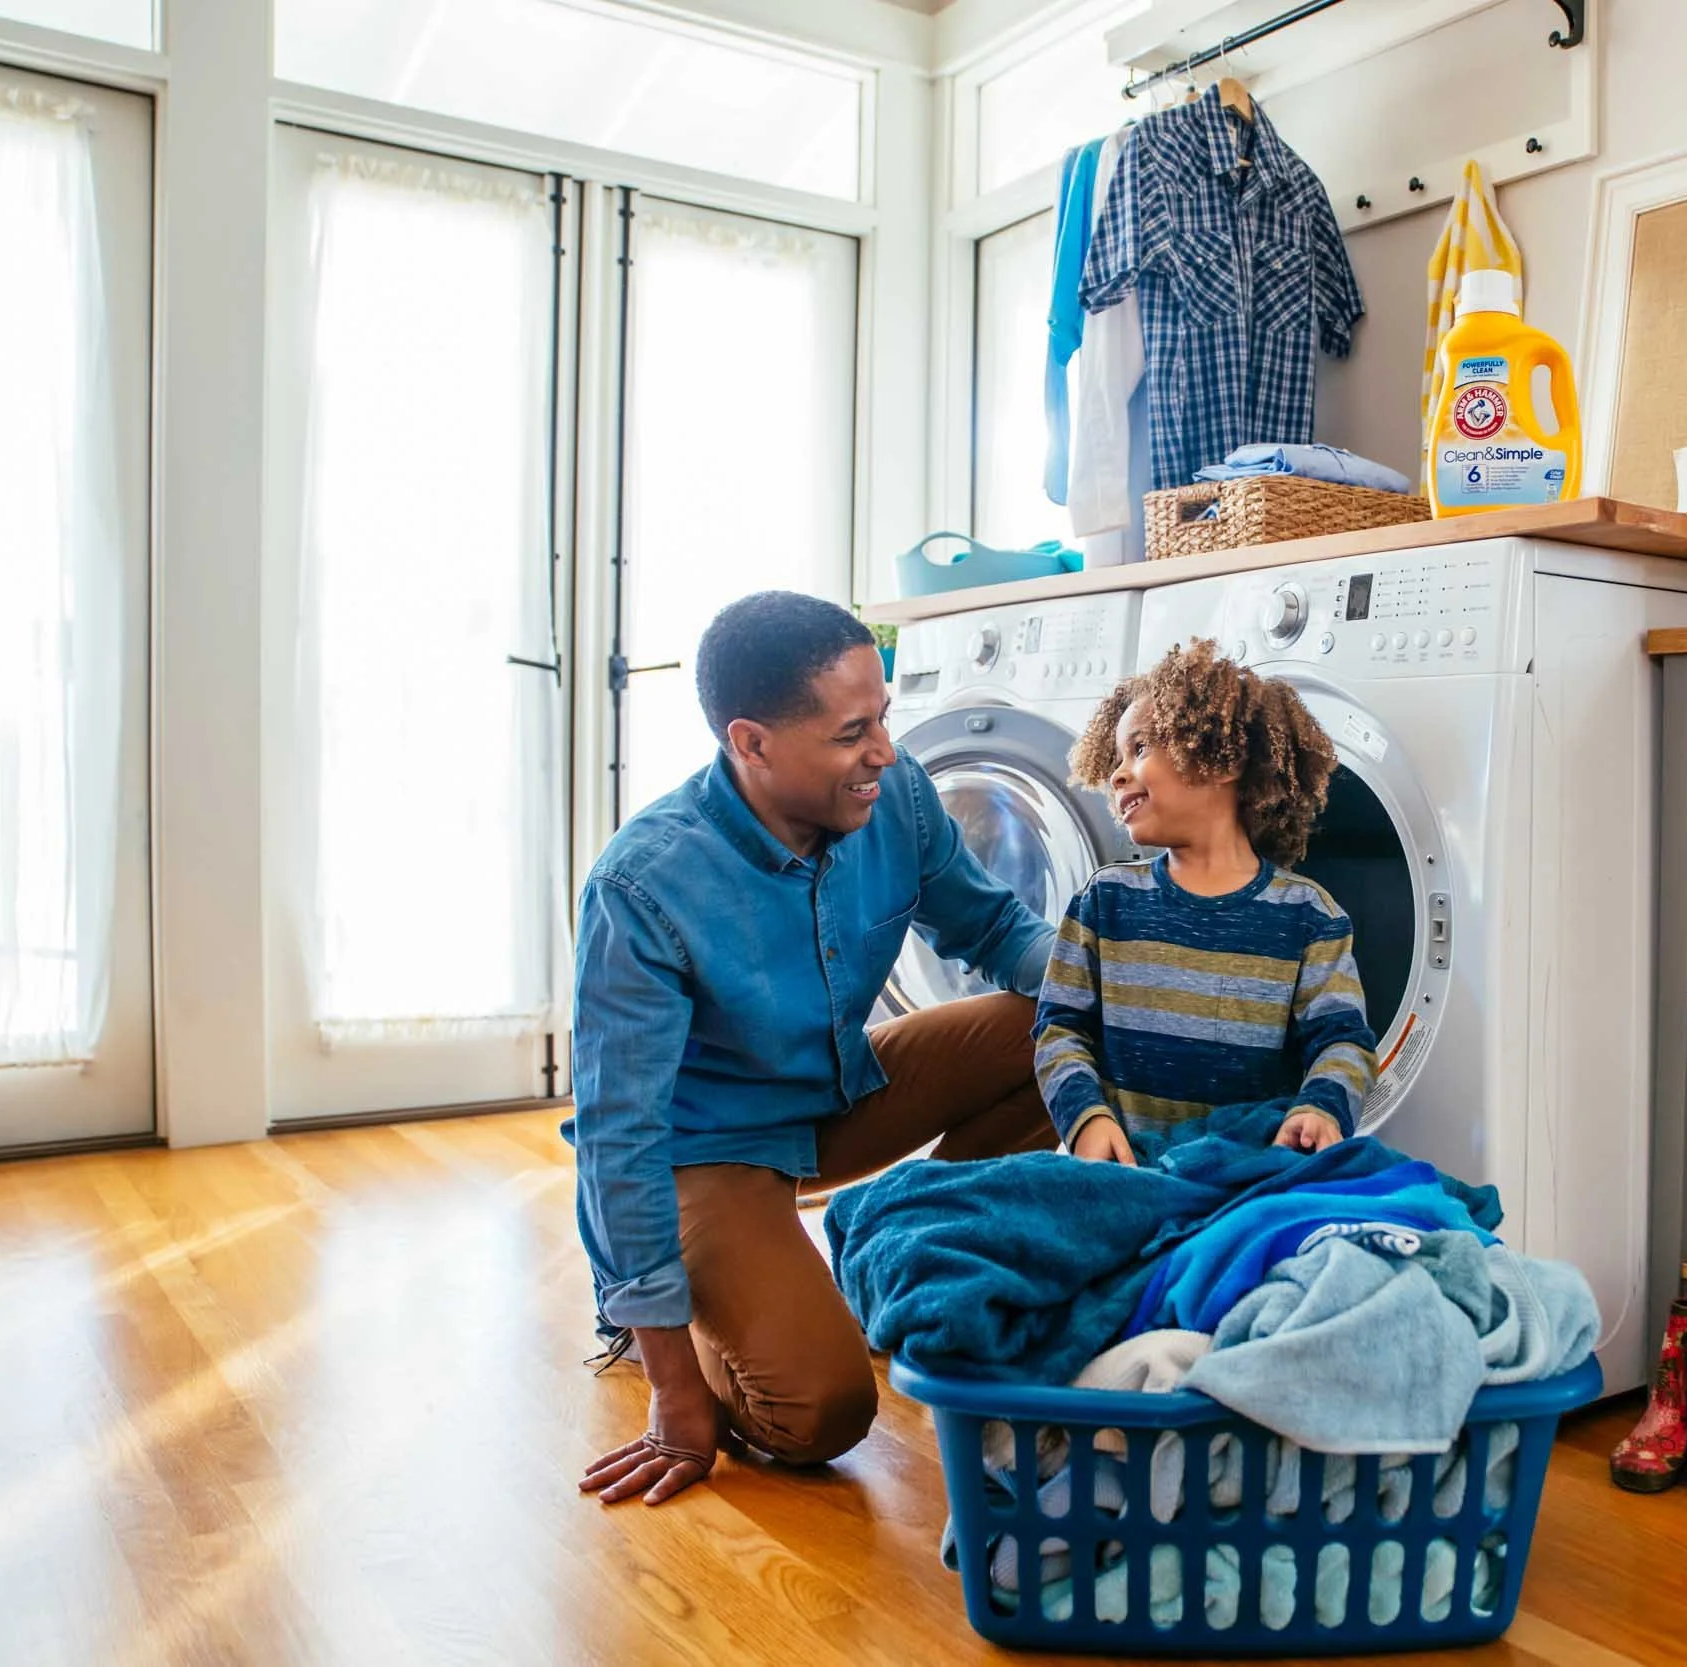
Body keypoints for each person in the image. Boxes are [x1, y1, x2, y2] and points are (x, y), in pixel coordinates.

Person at [572, 591, 1057, 1508]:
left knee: (1060, 1025)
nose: (883, 750)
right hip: (705, 1154)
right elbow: (617, 1143)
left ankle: (906, 1255)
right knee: (821, 1411)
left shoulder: (897, 791)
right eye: (851, 733)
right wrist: (677, 1391)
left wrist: (1119, 979)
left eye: (883, 717)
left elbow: (991, 922)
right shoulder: (642, 885)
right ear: (751, 743)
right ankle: (659, 1324)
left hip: (835, 1093)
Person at [1034, 638, 1378, 1166]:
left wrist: (1320, 1109)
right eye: (1116, 757)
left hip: (1248, 1172)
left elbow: (1342, 1041)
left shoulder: (1308, 917)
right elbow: (1060, 1028)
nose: (1117, 774)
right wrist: (1087, 1120)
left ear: (1221, 757)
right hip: (1126, 1171)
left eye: (1140, 748)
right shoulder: (1105, 902)